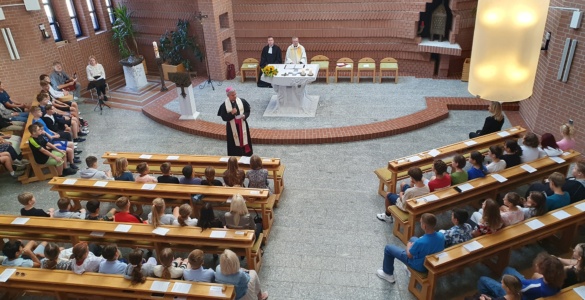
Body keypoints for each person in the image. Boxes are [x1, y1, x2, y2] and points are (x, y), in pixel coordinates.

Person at [376, 213, 445, 283]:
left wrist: (409, 245)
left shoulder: (421, 242)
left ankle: (388, 274)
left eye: (421, 222)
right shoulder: (441, 236)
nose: (420, 223)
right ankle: (408, 269)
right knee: (413, 238)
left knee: (388, 248)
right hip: (432, 262)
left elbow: (409, 255)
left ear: (424, 226)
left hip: (420, 266)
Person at [477, 253, 565, 299]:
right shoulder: (557, 279)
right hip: (526, 288)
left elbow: (516, 290)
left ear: (544, 272)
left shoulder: (534, 287)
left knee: (483, 280)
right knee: (508, 270)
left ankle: (494, 296)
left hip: (517, 294)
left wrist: (505, 285)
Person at [218, 87, 253, 156]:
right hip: (232, 128)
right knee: (233, 142)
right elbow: (224, 118)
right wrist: (231, 114)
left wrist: (245, 116)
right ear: (228, 96)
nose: (235, 96)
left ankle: (246, 154)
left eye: (235, 94)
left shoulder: (242, 101)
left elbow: (247, 110)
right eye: (233, 95)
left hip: (242, 124)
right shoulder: (224, 105)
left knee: (245, 139)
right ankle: (235, 156)